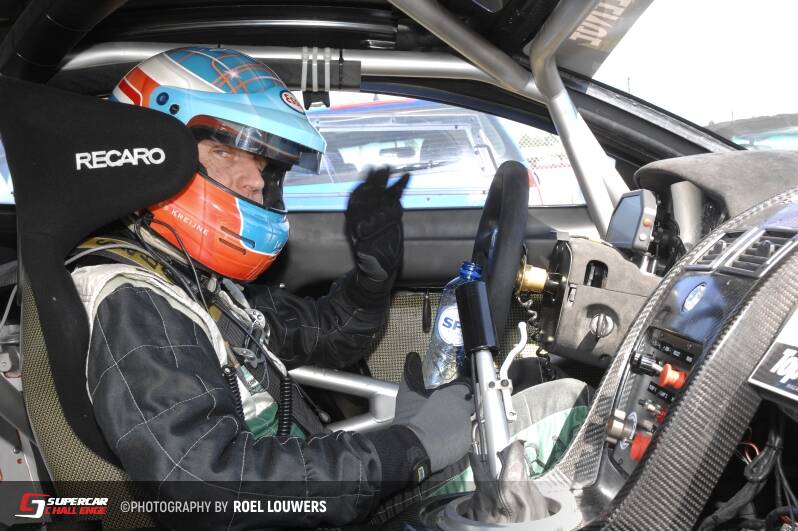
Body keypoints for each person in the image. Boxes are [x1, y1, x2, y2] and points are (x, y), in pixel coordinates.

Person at [72, 47, 590, 529]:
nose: (256, 182)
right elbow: (205, 485)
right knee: (563, 417)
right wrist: (407, 449)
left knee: (552, 405)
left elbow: (324, 336)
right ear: (152, 156)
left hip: (322, 496)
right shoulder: (136, 302)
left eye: (262, 165)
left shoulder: (193, 282)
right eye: (225, 152)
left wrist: (372, 277)